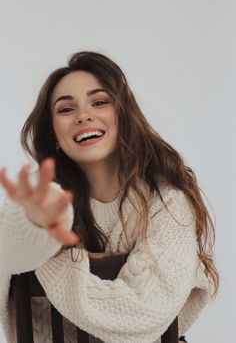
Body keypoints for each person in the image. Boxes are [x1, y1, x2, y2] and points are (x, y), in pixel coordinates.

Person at [0, 51, 219, 343]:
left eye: (99, 102)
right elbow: (9, 249)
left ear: (122, 116)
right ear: (53, 133)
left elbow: (142, 313)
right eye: (66, 109)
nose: (83, 115)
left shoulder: (167, 203)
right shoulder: (41, 199)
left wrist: (55, 264)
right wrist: (38, 224)